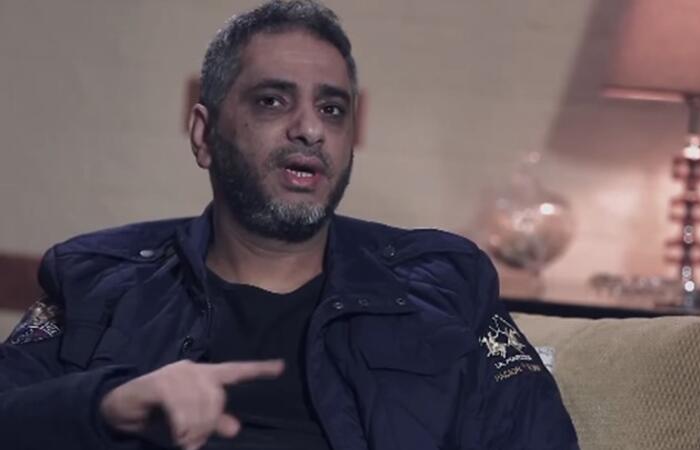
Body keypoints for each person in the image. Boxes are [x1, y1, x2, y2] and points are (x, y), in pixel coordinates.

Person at [0, 1, 579, 449]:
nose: (310, 129)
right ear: (204, 135)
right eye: (272, 101)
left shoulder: (445, 283)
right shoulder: (96, 279)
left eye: (332, 109)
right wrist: (104, 405)